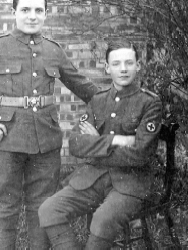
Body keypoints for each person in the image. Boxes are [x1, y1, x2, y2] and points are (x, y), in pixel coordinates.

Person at [0, 0, 99, 250]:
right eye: (26, 10)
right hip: (6, 141)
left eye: (38, 10)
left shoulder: (54, 51)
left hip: (46, 141)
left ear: (45, 14)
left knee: (41, 205)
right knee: (6, 205)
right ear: (13, 12)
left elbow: (85, 88)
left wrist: (128, 104)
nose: (32, 16)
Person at [38, 38, 162, 249]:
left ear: (138, 65)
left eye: (129, 63)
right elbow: (76, 144)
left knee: (102, 220)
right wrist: (116, 140)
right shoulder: (98, 101)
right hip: (93, 179)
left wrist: (97, 143)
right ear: (107, 67)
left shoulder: (150, 103)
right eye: (116, 64)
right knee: (48, 209)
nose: (123, 69)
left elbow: (141, 153)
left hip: (130, 183)